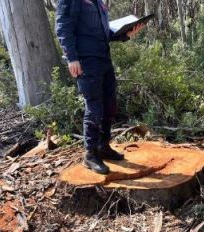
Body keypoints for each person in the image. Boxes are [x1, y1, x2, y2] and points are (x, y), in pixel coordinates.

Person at [56, 0, 143, 174]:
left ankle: (103, 146)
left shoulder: (98, 3)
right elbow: (63, 27)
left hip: (103, 59)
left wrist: (126, 33)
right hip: (86, 61)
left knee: (110, 105)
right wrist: (72, 58)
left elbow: (105, 33)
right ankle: (90, 154)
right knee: (94, 107)